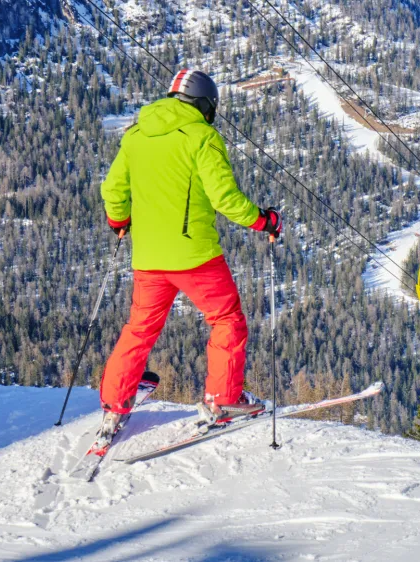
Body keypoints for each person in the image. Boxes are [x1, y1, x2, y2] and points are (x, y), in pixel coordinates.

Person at [98, 69, 281, 436]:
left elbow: (113, 190)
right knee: (227, 319)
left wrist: (119, 221)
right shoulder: (203, 137)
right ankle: (222, 399)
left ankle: (115, 403)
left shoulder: (135, 136)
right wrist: (264, 220)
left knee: (139, 329)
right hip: (195, 257)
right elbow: (225, 199)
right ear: (204, 106)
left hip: (148, 259)